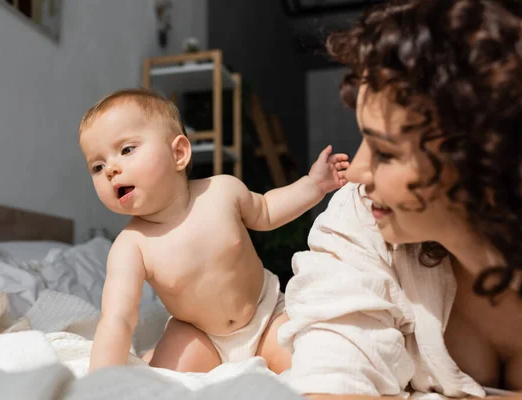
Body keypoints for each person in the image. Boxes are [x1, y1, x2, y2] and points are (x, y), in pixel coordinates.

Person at [278, 0, 522, 397]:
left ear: (480, 157)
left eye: (385, 152)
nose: (355, 171)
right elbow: (334, 374)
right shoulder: (360, 216)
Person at [78, 88, 350, 374]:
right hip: (199, 334)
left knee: (311, 369)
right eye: (97, 166)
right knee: (163, 383)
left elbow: (267, 210)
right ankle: (151, 359)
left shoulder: (222, 191)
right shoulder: (130, 246)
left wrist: (314, 185)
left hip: (265, 315)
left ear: (179, 153)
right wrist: (101, 381)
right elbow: (118, 318)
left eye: (126, 150)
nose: (111, 169)